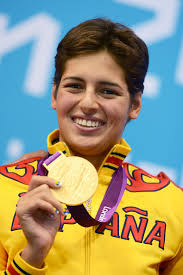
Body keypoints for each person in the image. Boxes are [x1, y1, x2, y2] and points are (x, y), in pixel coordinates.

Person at [0, 18, 183, 275]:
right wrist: (32, 256)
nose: (87, 103)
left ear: (135, 105)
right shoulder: (3, 190)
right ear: (54, 94)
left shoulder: (174, 206)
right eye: (74, 86)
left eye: (107, 91)